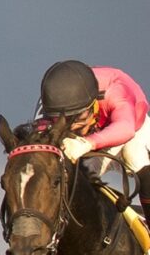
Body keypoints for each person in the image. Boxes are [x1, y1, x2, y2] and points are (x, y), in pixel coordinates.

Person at [38, 60, 150, 219]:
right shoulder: (50, 105)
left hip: (131, 128)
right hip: (94, 133)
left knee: (135, 156)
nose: (72, 126)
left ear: (93, 104)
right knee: (71, 177)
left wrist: (87, 143)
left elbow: (126, 128)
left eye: (78, 118)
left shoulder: (115, 91)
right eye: (64, 119)